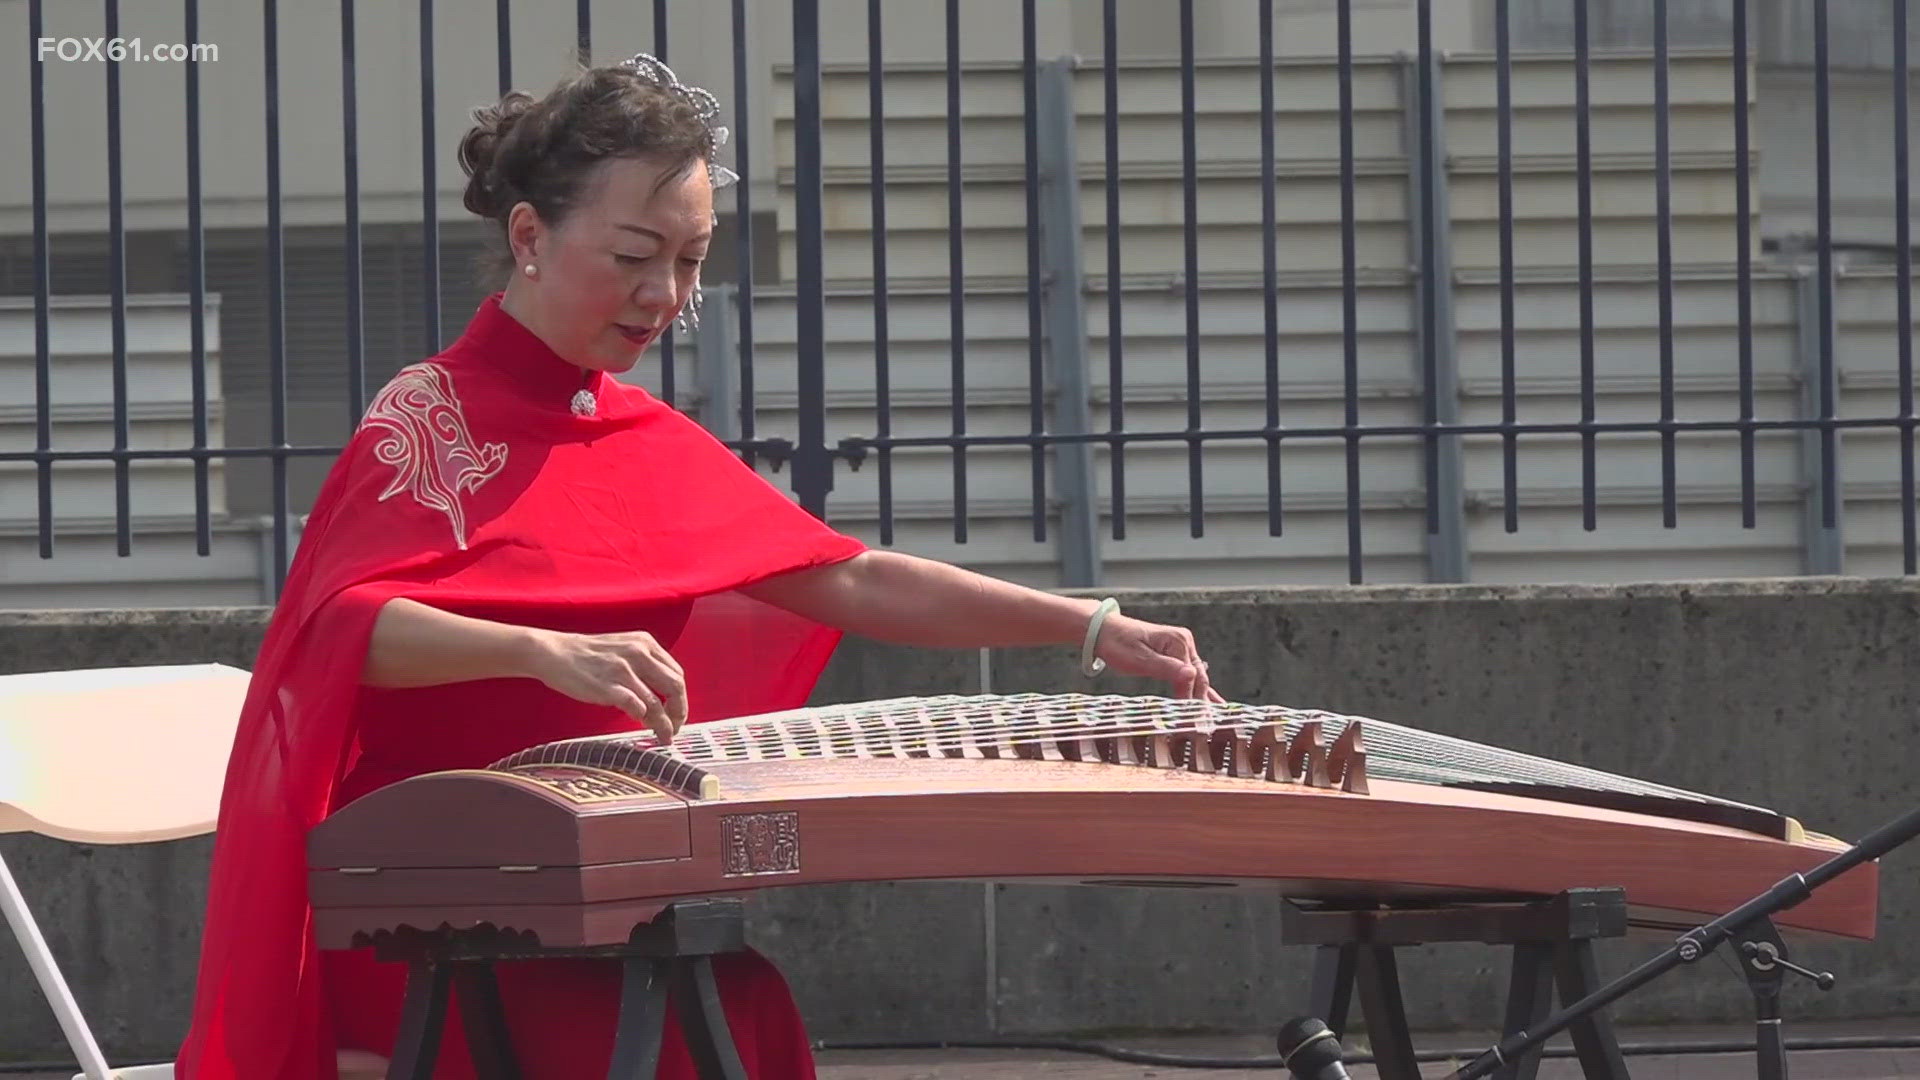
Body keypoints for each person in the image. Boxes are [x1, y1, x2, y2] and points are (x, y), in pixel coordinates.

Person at [174, 53, 1219, 1080]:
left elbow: (847, 577)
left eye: (689, 258)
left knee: (736, 999)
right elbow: (339, 632)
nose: (664, 293)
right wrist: (542, 652)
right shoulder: (428, 418)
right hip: (428, 910)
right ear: (530, 237)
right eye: (633, 255)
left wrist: (1083, 623)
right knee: (651, 1033)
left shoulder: (640, 435)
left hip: (590, 892)